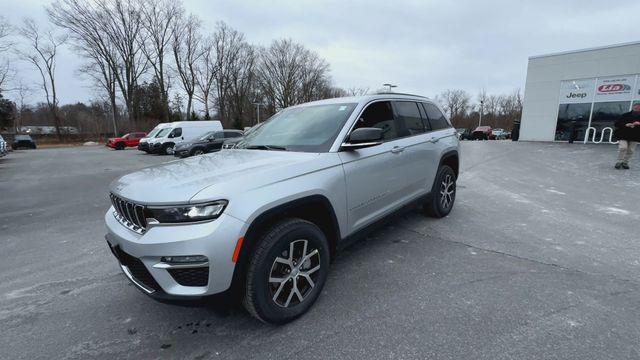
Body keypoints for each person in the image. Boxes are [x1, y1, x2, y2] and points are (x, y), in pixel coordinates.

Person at [614, 103, 640, 169]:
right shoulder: (625, 115)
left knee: (631, 150)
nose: (637, 108)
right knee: (623, 148)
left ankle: (625, 162)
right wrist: (626, 124)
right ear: (633, 107)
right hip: (623, 135)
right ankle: (619, 161)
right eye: (635, 106)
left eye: (638, 107)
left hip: (635, 136)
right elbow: (616, 124)